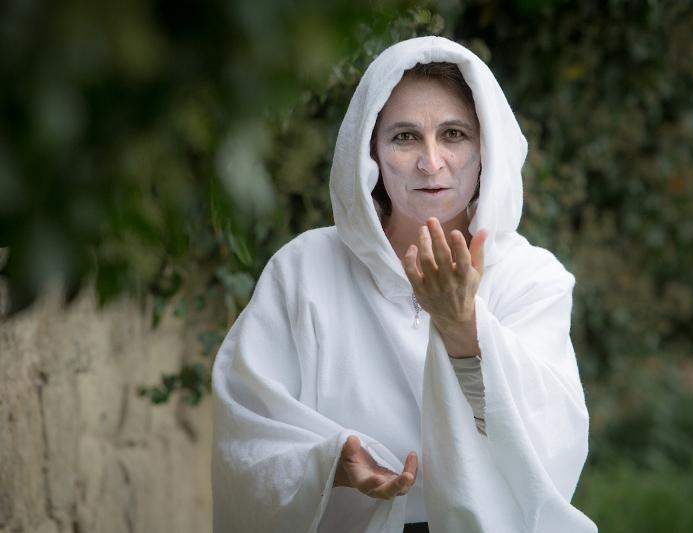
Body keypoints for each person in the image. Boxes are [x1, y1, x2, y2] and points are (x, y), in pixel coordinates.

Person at [211, 36, 597, 532]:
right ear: (369, 153)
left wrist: (461, 324)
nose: (431, 163)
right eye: (405, 137)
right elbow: (248, 433)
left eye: (454, 134)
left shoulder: (529, 279)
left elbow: (550, 441)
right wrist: (329, 462)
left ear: (487, 149)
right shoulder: (305, 270)